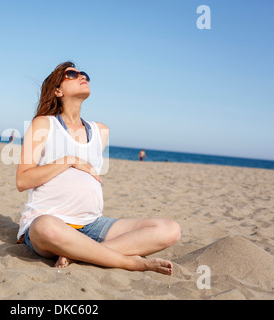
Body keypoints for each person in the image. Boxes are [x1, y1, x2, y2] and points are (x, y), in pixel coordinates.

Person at [15, 62, 181, 275]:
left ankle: (77, 253)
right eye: (72, 74)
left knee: (170, 230)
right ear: (57, 90)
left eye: (83, 74)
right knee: (44, 227)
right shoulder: (44, 124)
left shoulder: (101, 131)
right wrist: (69, 160)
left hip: (92, 225)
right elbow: (22, 181)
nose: (81, 76)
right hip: (52, 221)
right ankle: (129, 262)